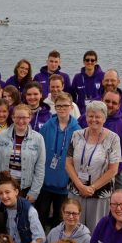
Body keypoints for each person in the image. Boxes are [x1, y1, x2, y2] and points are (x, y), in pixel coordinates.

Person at [65, 101, 122, 232]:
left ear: (104, 118)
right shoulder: (76, 135)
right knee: (73, 227)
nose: (94, 119)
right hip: (76, 191)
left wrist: (92, 187)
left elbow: (113, 170)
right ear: (86, 117)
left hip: (99, 194)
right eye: (90, 116)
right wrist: (80, 185)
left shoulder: (113, 139)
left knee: (96, 230)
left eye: (98, 117)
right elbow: (68, 163)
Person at [37, 93, 82, 228]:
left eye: (65, 106)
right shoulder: (46, 127)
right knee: (41, 215)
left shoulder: (77, 131)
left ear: (71, 106)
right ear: (55, 107)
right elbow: (39, 152)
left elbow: (78, 158)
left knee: (59, 218)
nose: (62, 109)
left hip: (64, 183)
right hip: (45, 182)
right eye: (59, 106)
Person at [0, 104, 46, 202]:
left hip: (26, 189)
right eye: (18, 117)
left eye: (24, 117)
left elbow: (40, 168)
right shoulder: (2, 136)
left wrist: (34, 192)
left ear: (30, 118)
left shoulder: (38, 139)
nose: (21, 121)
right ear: (13, 118)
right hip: (5, 188)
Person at [79, 91, 122, 191]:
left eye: (114, 103)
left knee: (121, 199)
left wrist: (112, 171)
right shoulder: (86, 119)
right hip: (88, 167)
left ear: (119, 105)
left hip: (115, 170)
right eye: (107, 101)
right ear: (102, 101)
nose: (110, 105)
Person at [71, 50, 105, 116]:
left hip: (98, 112)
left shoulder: (103, 76)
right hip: (81, 112)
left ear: (96, 62)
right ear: (84, 62)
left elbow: (105, 94)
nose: (90, 62)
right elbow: (72, 95)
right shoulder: (77, 77)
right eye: (87, 60)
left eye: (92, 60)